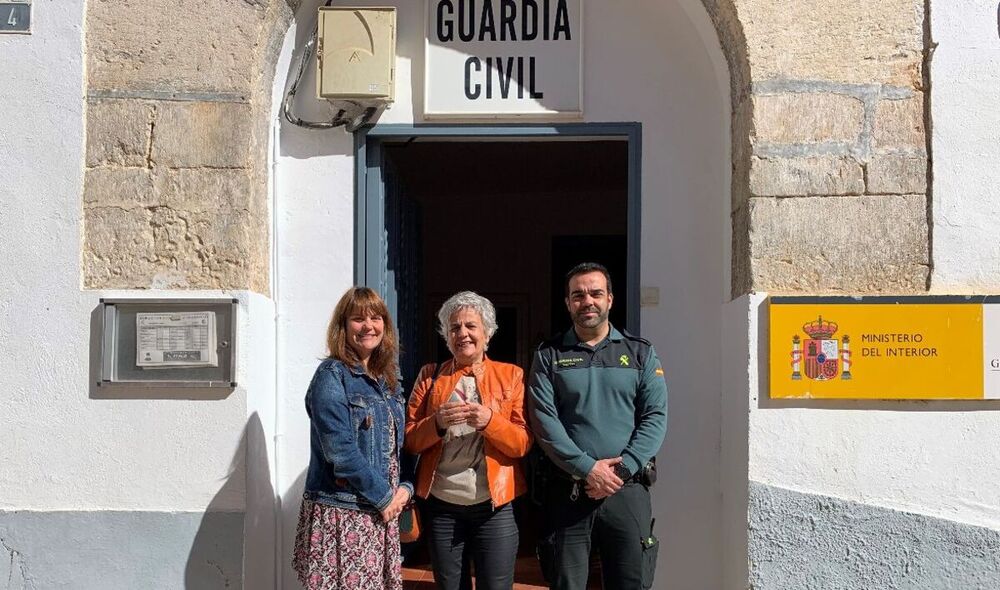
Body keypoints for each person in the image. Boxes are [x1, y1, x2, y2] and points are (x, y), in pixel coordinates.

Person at [527, 263, 668, 590]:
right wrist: (587, 468)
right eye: (578, 295)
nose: (587, 301)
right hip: (569, 491)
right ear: (568, 303)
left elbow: (655, 417)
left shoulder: (640, 353)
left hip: (627, 489)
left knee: (631, 582)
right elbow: (544, 421)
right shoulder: (549, 356)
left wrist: (620, 471)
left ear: (610, 300)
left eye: (595, 293)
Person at [405, 291, 533, 590]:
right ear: (446, 336)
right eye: (454, 328)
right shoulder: (429, 376)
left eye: (470, 326)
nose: (462, 333)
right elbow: (410, 441)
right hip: (443, 506)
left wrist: (490, 421)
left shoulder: (511, 375)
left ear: (486, 332)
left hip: (495, 506)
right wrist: (436, 422)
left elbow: (522, 443)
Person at [292, 286, 413, 590]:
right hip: (343, 513)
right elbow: (340, 451)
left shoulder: (387, 381)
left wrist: (406, 488)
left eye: (376, 318)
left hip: (379, 512)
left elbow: (398, 448)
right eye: (358, 319)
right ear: (343, 326)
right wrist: (385, 497)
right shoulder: (331, 376)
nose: (368, 326)